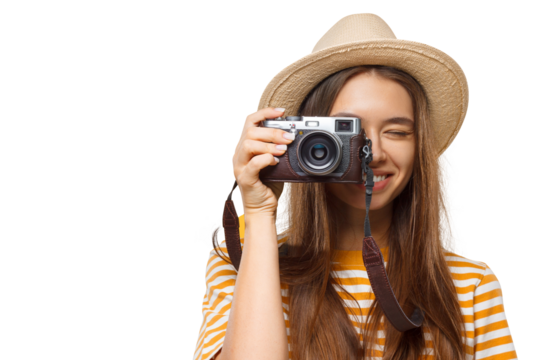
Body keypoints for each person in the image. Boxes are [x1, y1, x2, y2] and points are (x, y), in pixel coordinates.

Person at [193, 12, 518, 360]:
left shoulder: (471, 285)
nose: (373, 153)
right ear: (305, 141)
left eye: (397, 132)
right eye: (348, 131)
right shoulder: (239, 264)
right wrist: (257, 214)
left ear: (418, 147)